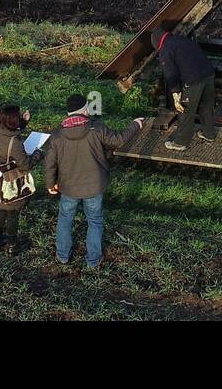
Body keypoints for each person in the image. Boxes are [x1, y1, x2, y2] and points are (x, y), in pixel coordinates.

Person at [43, 94, 146, 271]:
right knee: (95, 221)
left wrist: (50, 183)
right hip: (94, 185)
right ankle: (92, 261)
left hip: (68, 186)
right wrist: (135, 124)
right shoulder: (96, 128)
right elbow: (119, 140)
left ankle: (62, 256)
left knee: (65, 220)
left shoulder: (57, 134)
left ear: (69, 113)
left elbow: (49, 163)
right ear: (85, 110)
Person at [152, 25, 217, 150]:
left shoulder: (165, 50)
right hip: (208, 74)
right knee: (206, 106)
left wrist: (176, 95)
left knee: (185, 110)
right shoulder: (181, 39)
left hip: (192, 80)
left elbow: (171, 75)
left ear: (156, 42)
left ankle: (181, 142)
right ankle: (209, 134)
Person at [0, 104, 40, 255]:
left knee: (1, 207)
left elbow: (8, 133)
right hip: (11, 182)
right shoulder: (15, 143)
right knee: (12, 212)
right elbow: (26, 165)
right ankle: (12, 244)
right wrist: (38, 154)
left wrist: (23, 122)